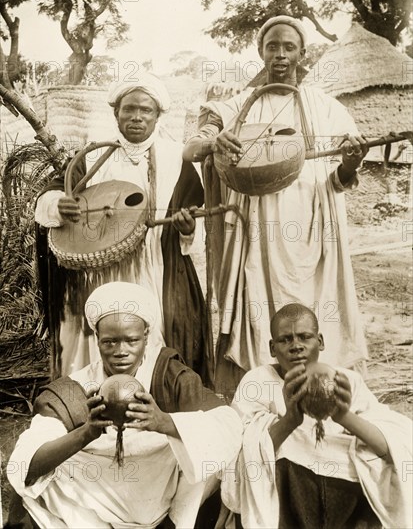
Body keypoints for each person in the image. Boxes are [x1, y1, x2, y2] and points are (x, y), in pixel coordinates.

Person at [183, 15, 369, 397]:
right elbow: (190, 149)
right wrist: (216, 142)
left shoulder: (327, 109)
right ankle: (262, 395)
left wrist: (350, 163)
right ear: (260, 52)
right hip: (257, 229)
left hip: (316, 230)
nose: (280, 55)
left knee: (313, 305)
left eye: (288, 47)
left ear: (303, 53)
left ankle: (321, 392)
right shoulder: (235, 106)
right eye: (272, 46)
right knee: (260, 306)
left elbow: (337, 180)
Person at [7, 282, 243, 529]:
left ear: (146, 337)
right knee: (35, 486)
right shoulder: (73, 389)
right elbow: (25, 464)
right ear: (96, 338)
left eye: (131, 340)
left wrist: (164, 422)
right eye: (110, 342)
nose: (121, 351)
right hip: (94, 498)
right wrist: (86, 433)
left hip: (161, 494)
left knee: (208, 452)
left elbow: (228, 425)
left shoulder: (166, 374)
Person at [35, 72, 207, 379]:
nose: (137, 117)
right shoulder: (94, 156)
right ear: (116, 113)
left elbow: (195, 222)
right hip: (100, 274)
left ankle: (155, 400)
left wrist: (186, 229)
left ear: (158, 116)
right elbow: (51, 195)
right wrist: (60, 204)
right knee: (100, 338)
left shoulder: (176, 160)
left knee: (155, 333)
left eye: (146, 110)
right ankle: (93, 400)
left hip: (156, 268)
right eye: (129, 109)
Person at [220, 303, 412, 528]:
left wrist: (343, 417)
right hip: (288, 493)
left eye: (304, 337)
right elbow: (242, 452)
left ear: (320, 341)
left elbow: (390, 446)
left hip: (345, 492)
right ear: (272, 348)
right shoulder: (258, 381)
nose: (296, 346)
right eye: (285, 339)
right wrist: (291, 420)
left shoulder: (345, 381)